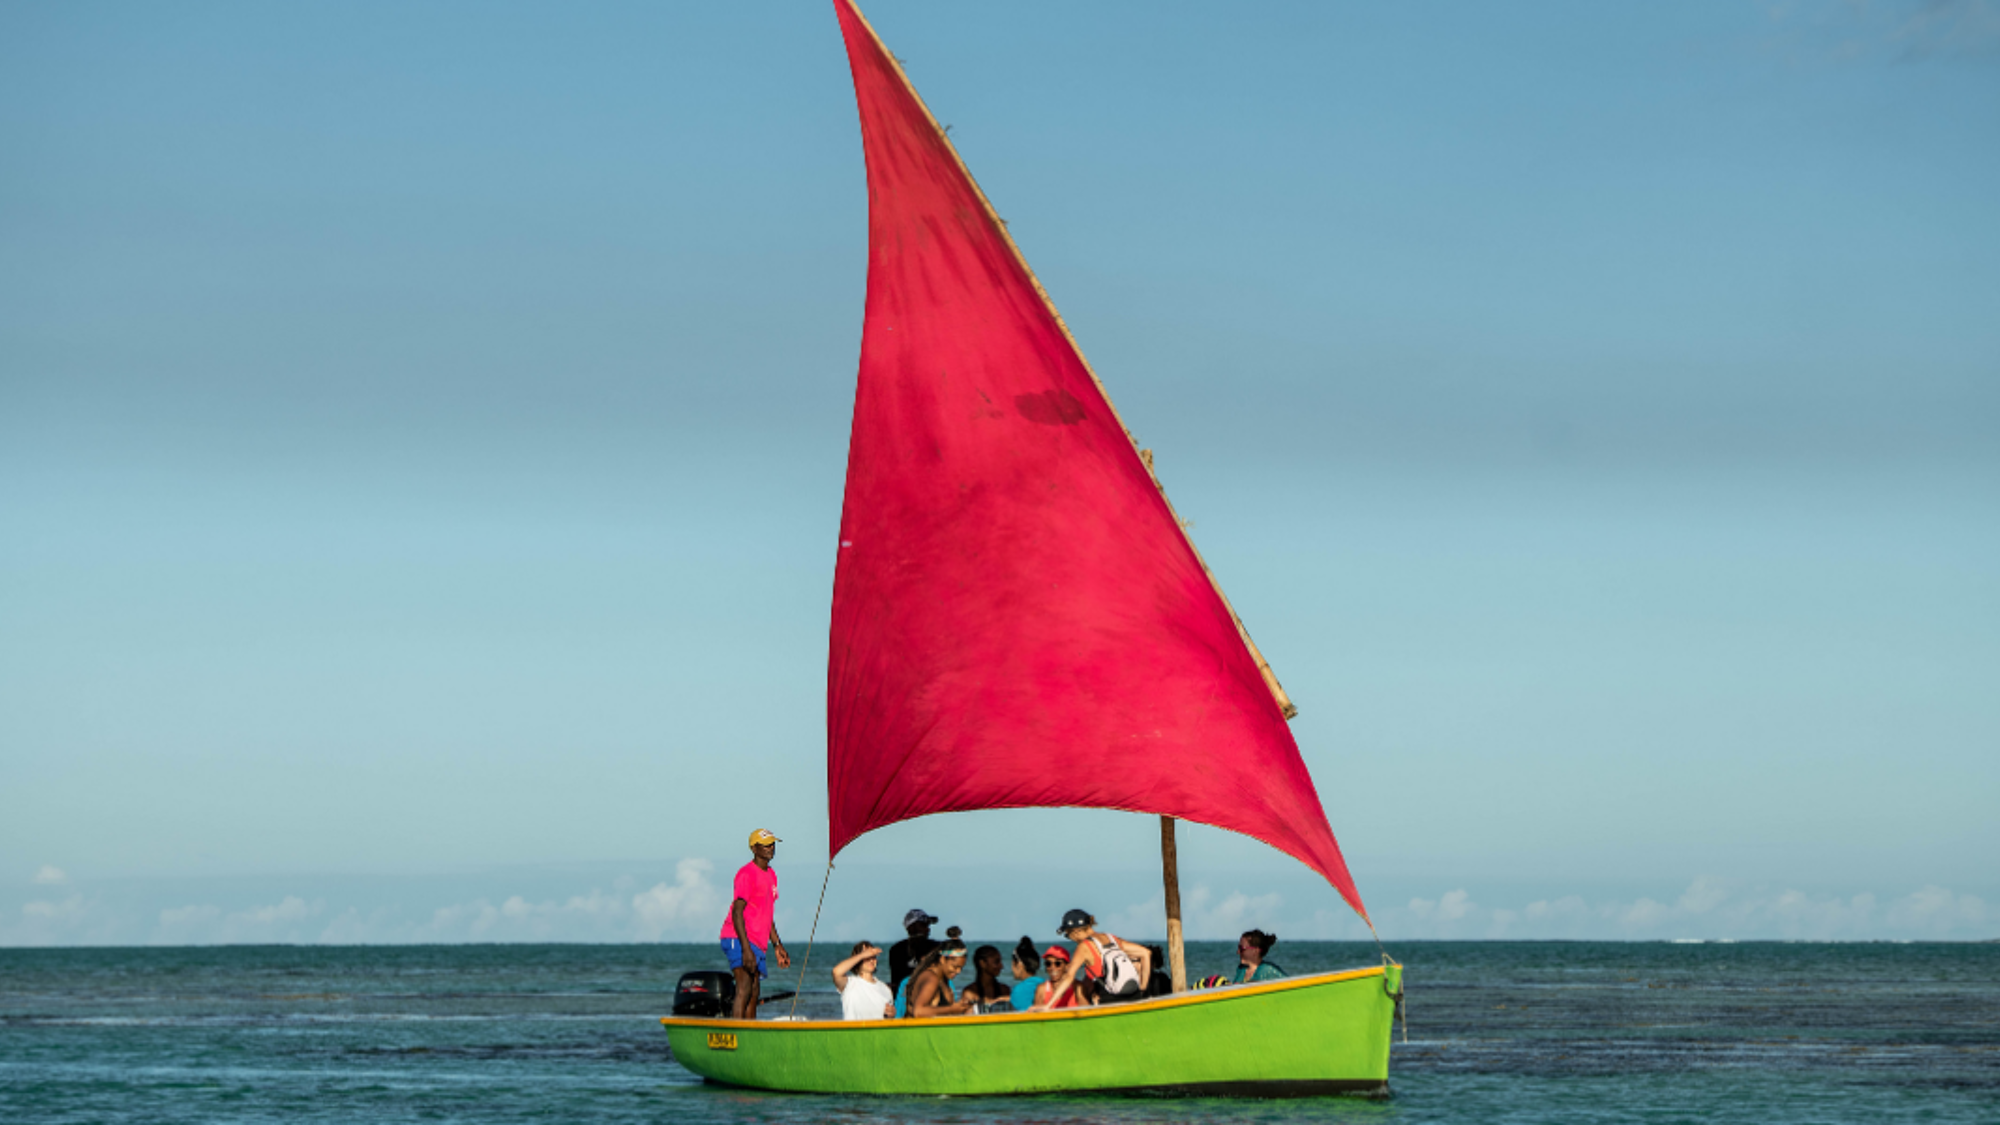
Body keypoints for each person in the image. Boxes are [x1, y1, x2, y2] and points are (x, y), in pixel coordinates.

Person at [718, 829, 791, 1019]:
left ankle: (749, 1037)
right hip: (738, 937)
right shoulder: (746, 874)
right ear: (754, 848)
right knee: (744, 988)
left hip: (757, 941)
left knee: (754, 993)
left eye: (772, 844)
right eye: (765, 845)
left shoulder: (771, 875)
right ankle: (737, 1036)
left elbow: (766, 913)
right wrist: (745, 949)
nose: (771, 848)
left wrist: (777, 944)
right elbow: (737, 911)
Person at [1042, 909, 1152, 1008]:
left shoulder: (1084, 946)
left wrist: (1048, 1005)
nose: (1070, 939)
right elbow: (1145, 953)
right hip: (1134, 997)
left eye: (1067, 935)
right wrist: (1142, 987)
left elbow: (1069, 977)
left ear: (1075, 931)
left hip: (1110, 1001)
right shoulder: (1112, 938)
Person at [904, 939, 976, 1018]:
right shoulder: (931, 978)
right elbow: (918, 1011)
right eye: (955, 967)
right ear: (942, 959)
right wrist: (951, 1009)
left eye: (961, 968)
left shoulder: (942, 979)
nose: (958, 971)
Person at [831, 941, 894, 1020]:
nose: (871, 960)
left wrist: (891, 1014)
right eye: (867, 957)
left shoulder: (885, 989)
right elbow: (836, 972)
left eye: (873, 956)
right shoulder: (850, 984)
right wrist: (862, 955)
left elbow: (887, 1019)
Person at [887, 908, 939, 995]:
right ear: (911, 927)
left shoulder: (895, 949)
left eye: (927, 926)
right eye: (923, 925)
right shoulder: (935, 947)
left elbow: (895, 983)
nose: (928, 929)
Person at [1030, 944, 1079, 1009]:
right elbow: (1037, 1016)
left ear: (1067, 966)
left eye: (1057, 963)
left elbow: (1087, 1012)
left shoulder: (1077, 987)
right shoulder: (1041, 989)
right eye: (1048, 964)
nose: (1052, 967)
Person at [962, 945, 1011, 1010]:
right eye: (996, 962)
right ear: (982, 963)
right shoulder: (970, 993)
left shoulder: (1005, 990)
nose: (1001, 966)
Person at [1007, 937, 1042, 1011]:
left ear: (1019, 965)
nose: (1011, 968)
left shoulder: (1019, 990)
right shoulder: (1045, 983)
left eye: (1013, 964)